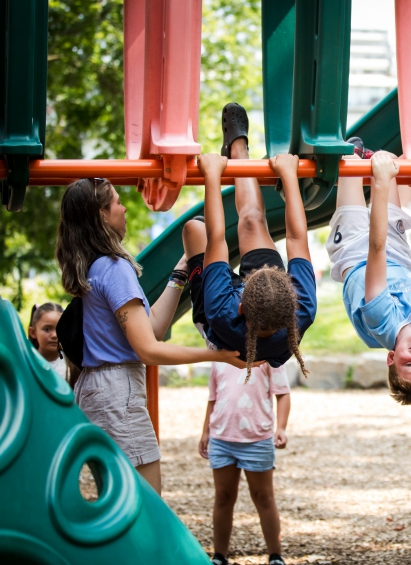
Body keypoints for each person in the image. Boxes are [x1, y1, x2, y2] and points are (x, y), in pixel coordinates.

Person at [56, 178, 243, 494]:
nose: (124, 208)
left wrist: (181, 272)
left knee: (120, 499)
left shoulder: (95, 267)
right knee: (145, 501)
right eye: (117, 202)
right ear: (102, 215)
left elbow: (152, 327)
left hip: (100, 390)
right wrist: (218, 355)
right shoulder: (113, 267)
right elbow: (149, 350)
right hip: (117, 392)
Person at [181, 103, 316, 380]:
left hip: (221, 330)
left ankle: (208, 269)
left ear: (240, 304)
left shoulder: (222, 312)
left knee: (195, 230)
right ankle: (238, 152)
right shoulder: (301, 308)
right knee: (253, 221)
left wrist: (212, 176)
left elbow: (217, 239)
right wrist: (289, 175)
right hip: (263, 309)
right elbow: (296, 238)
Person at [325, 147, 411, 405]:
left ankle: (355, 150)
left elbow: (376, 249)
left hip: (354, 253)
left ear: (391, 358)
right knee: (388, 158)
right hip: (396, 255)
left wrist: (382, 183)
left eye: (409, 363)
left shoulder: (381, 324)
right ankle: (370, 156)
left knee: (351, 163)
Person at [198, 361, 291, 565]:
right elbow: (213, 398)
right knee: (223, 496)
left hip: (257, 439)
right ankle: (219, 556)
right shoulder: (219, 356)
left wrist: (281, 428)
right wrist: (205, 432)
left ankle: (275, 557)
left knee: (263, 496)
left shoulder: (270, 356)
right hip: (221, 439)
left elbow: (283, 393)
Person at [28, 302, 67, 378]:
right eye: (47, 329)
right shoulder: (26, 363)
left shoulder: (73, 366)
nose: (54, 335)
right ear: (33, 332)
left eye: (60, 329)